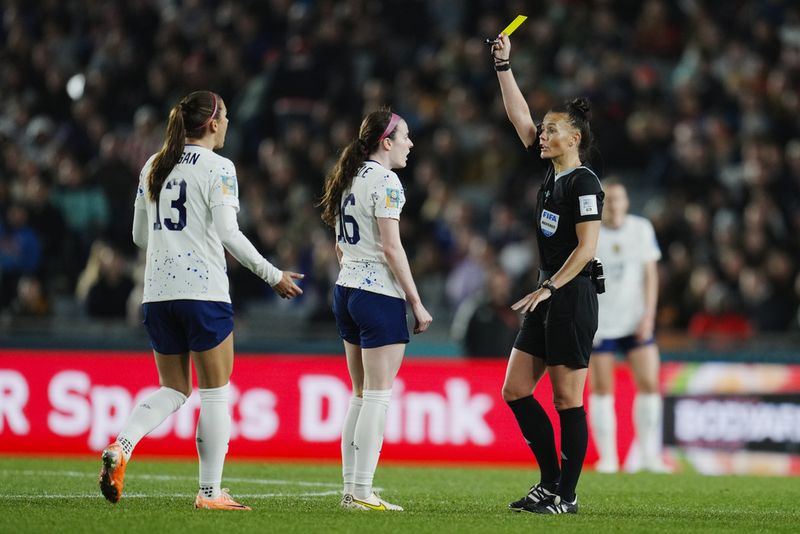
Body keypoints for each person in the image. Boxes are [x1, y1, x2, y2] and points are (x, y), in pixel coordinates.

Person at [98, 90, 303, 510]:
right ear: (212, 123)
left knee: (173, 389)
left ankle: (123, 444)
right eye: (224, 117)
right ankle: (210, 492)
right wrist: (273, 275)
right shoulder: (219, 167)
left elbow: (140, 237)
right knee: (215, 393)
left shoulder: (154, 164)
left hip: (156, 294)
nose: (227, 124)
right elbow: (229, 233)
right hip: (204, 292)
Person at [492, 33, 604, 515]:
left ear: (573, 138)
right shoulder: (551, 175)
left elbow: (587, 248)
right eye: (543, 130)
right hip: (546, 292)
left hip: (571, 294)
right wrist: (503, 67)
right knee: (515, 390)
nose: (542, 134)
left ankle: (568, 496)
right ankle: (550, 483)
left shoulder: (584, 182)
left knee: (566, 399)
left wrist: (552, 286)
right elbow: (520, 117)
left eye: (552, 130)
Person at [318, 108, 433, 512]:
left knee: (360, 394)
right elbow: (391, 247)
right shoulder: (387, 181)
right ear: (386, 141)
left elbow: (338, 245)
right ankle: (362, 493)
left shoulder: (347, 175)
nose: (410, 144)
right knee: (378, 397)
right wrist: (416, 301)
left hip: (346, 289)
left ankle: (352, 489)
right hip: (377, 294)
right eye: (405, 137)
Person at [590, 179, 671, 473]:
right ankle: (609, 458)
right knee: (602, 389)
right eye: (608, 200)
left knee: (650, 384)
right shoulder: (591, 231)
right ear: (601, 203)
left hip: (635, 319)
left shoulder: (641, 229)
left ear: (626, 202)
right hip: (602, 323)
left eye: (619, 199)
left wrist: (649, 316)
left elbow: (651, 274)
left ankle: (650, 456)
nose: (614, 205)